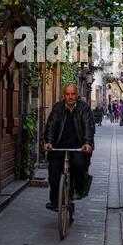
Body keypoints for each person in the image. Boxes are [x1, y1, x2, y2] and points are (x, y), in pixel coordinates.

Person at [43, 83, 94, 211]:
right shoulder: (58, 108)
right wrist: (48, 142)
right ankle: (55, 201)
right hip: (59, 146)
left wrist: (88, 143)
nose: (70, 97)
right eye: (67, 94)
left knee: (78, 165)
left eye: (73, 94)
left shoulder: (84, 108)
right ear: (63, 95)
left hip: (78, 146)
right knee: (54, 171)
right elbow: (51, 126)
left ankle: (79, 189)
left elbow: (88, 127)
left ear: (76, 95)